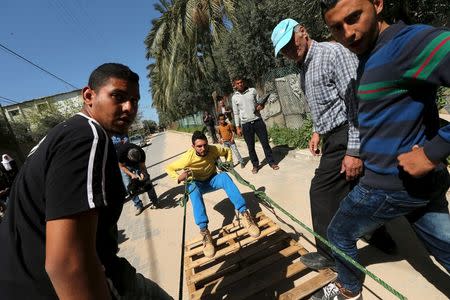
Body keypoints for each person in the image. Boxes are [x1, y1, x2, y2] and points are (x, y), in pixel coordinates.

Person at [310, 1, 450, 299]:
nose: (348, 33)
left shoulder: (406, 44)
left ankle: (349, 289)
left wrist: (432, 151)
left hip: (388, 186)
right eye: (337, 27)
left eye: (354, 18)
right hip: (412, 183)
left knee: (338, 233)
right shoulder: (371, 55)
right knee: (444, 244)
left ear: (377, 3)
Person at [0, 63, 172, 299]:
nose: (129, 108)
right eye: (118, 97)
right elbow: (67, 264)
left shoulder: (57, 136)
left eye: (135, 100)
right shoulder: (88, 136)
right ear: (89, 96)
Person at [271, 18, 394, 269]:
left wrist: (354, 150)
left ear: (303, 31)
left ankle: (329, 254)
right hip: (333, 135)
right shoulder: (304, 65)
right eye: (283, 50)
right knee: (355, 188)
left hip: (347, 133)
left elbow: (356, 102)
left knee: (322, 192)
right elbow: (326, 103)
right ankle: (381, 237)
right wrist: (317, 131)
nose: (288, 51)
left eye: (289, 43)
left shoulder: (332, 53)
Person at [165, 131, 260, 257]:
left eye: (205, 145)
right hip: (198, 183)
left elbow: (227, 151)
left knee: (225, 177)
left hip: (213, 179)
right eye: (199, 146)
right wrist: (178, 177)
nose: (203, 148)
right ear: (193, 146)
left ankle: (245, 215)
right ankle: (204, 232)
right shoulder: (188, 158)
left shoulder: (213, 149)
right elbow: (169, 168)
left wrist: (228, 163)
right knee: (192, 189)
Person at [231, 76, 279, 174]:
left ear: (243, 82)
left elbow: (259, 104)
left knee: (265, 143)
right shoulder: (234, 97)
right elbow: (236, 113)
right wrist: (237, 127)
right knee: (250, 147)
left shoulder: (252, 91)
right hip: (246, 124)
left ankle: (272, 162)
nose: (240, 84)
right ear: (235, 85)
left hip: (258, 121)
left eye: (241, 82)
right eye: (238, 83)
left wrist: (261, 106)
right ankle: (255, 165)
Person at [117, 142, 158, 215]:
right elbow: (121, 166)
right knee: (129, 187)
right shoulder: (121, 153)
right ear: (128, 157)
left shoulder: (141, 153)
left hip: (138, 165)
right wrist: (132, 174)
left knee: (147, 181)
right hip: (125, 166)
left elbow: (142, 166)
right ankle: (139, 205)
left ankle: (155, 202)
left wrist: (142, 174)